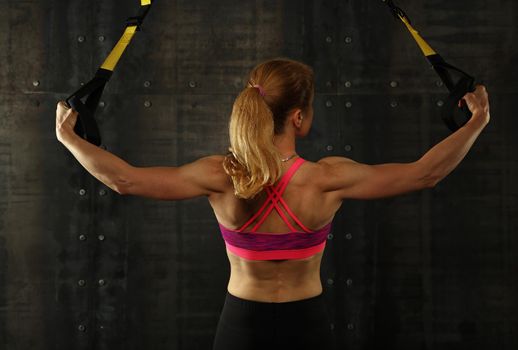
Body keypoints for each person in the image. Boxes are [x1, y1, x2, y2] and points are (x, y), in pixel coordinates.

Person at [55, 58, 490, 350]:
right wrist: (477, 123)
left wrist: (68, 138)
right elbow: (425, 173)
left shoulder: (221, 176)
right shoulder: (326, 179)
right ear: (298, 117)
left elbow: (124, 179)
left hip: (241, 324)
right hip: (309, 323)